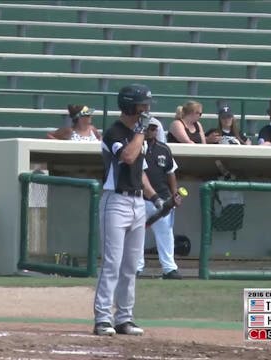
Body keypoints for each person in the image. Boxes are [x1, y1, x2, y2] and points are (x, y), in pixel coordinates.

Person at [94, 83, 163, 336]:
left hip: (136, 202)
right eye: (142, 105)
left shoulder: (138, 133)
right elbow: (128, 157)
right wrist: (141, 130)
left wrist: (154, 196)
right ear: (129, 105)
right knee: (112, 263)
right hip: (116, 201)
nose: (146, 109)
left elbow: (140, 171)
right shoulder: (114, 131)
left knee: (131, 265)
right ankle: (103, 318)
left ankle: (124, 317)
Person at [137, 118, 183, 280]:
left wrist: (174, 194)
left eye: (154, 128)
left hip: (162, 198)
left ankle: (169, 269)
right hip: (139, 198)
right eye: (149, 128)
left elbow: (170, 173)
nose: (152, 130)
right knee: (137, 234)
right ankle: (136, 267)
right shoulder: (136, 146)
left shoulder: (164, 149)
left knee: (165, 234)